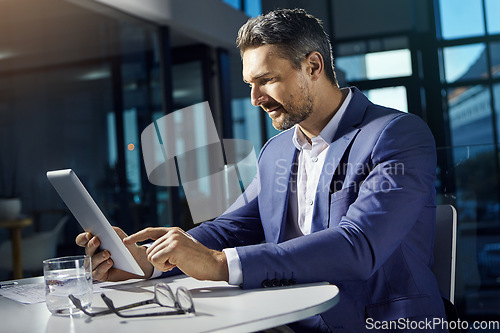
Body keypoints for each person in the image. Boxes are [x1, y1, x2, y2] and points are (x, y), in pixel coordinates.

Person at [76, 8, 447, 332]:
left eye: (267, 79)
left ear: (313, 66)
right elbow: (234, 226)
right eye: (250, 84)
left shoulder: (397, 135)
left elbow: (358, 245)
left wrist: (219, 264)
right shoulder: (278, 150)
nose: (255, 99)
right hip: (289, 320)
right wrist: (154, 261)